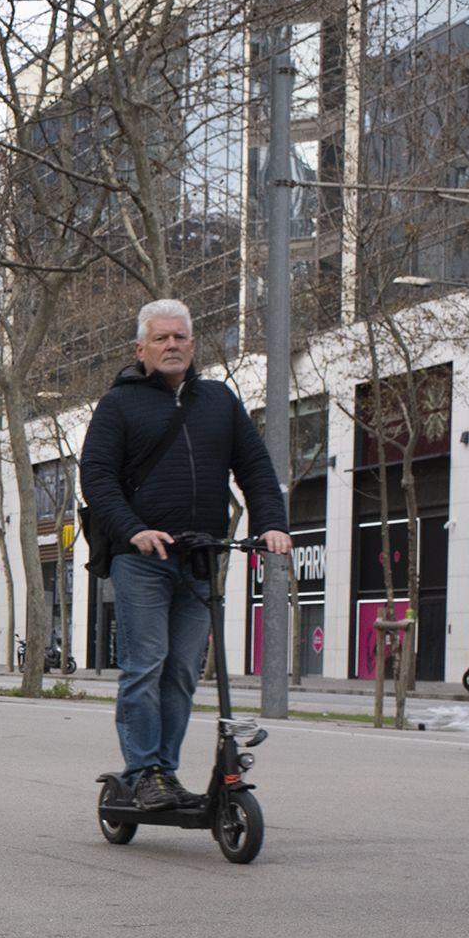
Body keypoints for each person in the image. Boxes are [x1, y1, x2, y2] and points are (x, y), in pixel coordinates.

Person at [80, 298, 290, 810]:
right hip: (142, 560)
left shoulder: (219, 400)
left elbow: (256, 468)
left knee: (180, 672)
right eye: (161, 338)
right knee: (145, 665)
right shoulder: (120, 405)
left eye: (180, 337)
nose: (171, 345)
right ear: (141, 348)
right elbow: (98, 479)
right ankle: (144, 769)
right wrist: (134, 530)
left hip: (201, 557)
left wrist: (272, 525)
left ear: (193, 345)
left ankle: (164, 771)